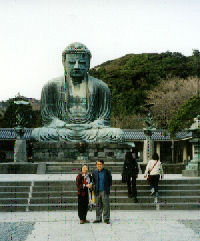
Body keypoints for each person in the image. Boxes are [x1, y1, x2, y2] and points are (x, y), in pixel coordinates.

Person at [92, 159, 112, 224]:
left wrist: (107, 188)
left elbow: (110, 181)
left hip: (104, 191)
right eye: (97, 164)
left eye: (100, 164)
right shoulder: (94, 172)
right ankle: (98, 218)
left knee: (106, 205)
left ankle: (106, 218)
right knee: (98, 205)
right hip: (97, 191)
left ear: (103, 165)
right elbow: (93, 181)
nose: (99, 166)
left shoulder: (107, 172)